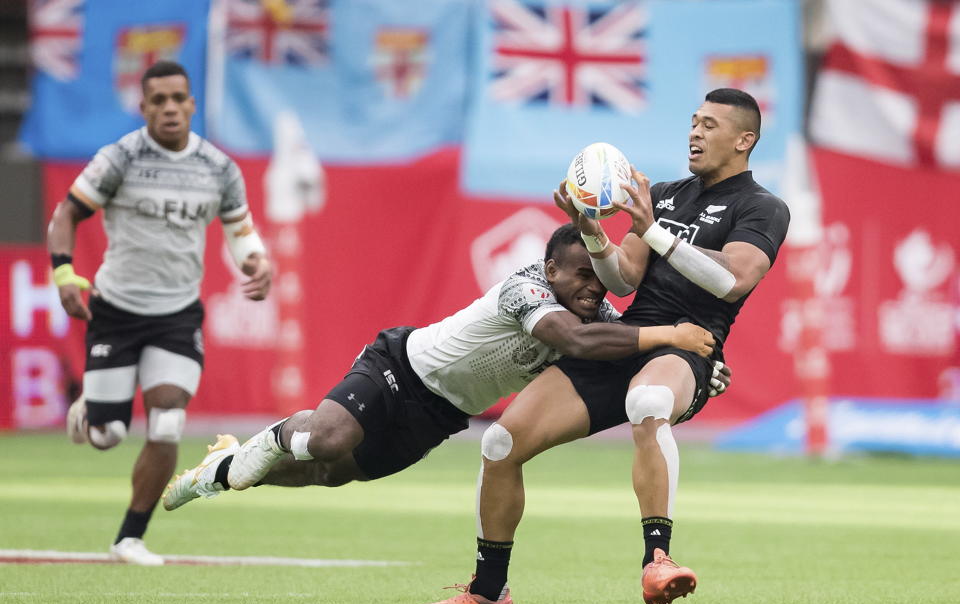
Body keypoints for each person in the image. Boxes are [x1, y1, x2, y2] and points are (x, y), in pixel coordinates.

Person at [408, 88, 789, 604]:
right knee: (499, 443)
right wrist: (591, 232)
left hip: (687, 347)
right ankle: (488, 593)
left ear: (744, 140)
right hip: (629, 339)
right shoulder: (666, 193)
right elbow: (624, 277)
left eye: (710, 125)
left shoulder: (763, 207)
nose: (695, 133)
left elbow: (732, 279)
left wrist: (654, 230)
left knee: (649, 399)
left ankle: (657, 558)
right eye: (693, 121)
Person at [162, 224, 727, 524]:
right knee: (324, 439)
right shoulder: (525, 287)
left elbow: (626, 353)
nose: (592, 289)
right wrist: (671, 334)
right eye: (581, 276)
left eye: (599, 282)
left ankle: (224, 468)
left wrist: (697, 368)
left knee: (329, 475)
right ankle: (283, 433)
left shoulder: (594, 313)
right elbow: (576, 341)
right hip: (399, 368)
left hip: (441, 415)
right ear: (550, 267)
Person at [48, 61, 273, 566]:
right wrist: (63, 274)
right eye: (158, 100)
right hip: (116, 310)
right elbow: (67, 212)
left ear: (192, 104)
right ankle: (92, 408)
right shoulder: (121, 157)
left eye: (178, 98)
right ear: (144, 106)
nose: (169, 108)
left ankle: (129, 537)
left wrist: (257, 260)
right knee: (107, 436)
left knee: (168, 420)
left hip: (176, 314)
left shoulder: (218, 167)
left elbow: (240, 231)